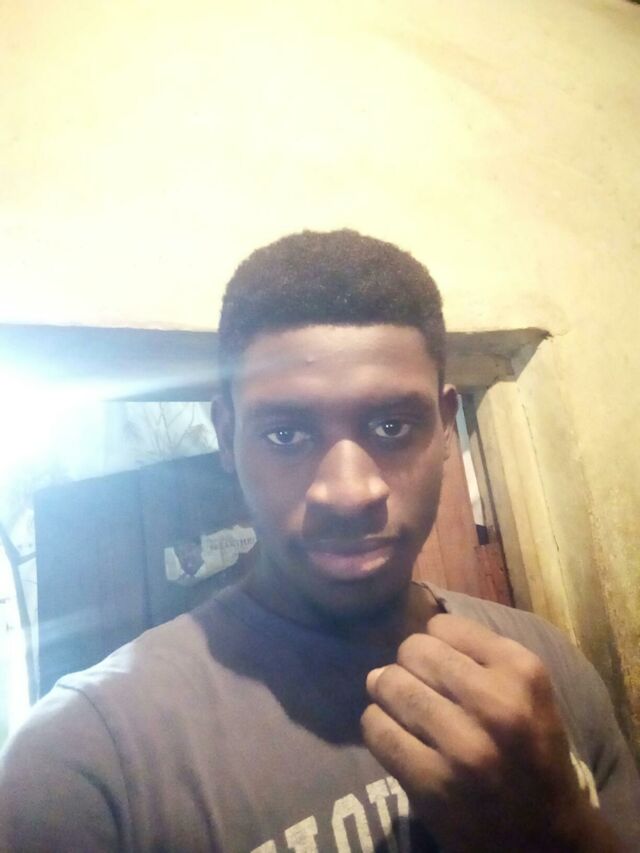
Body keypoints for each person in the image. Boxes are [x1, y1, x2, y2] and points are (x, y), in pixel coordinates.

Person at [1, 230, 639, 852]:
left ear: (446, 427)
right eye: (286, 434)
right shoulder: (85, 765)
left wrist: (556, 831)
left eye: (392, 426)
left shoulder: (544, 665)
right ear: (227, 437)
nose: (349, 492)